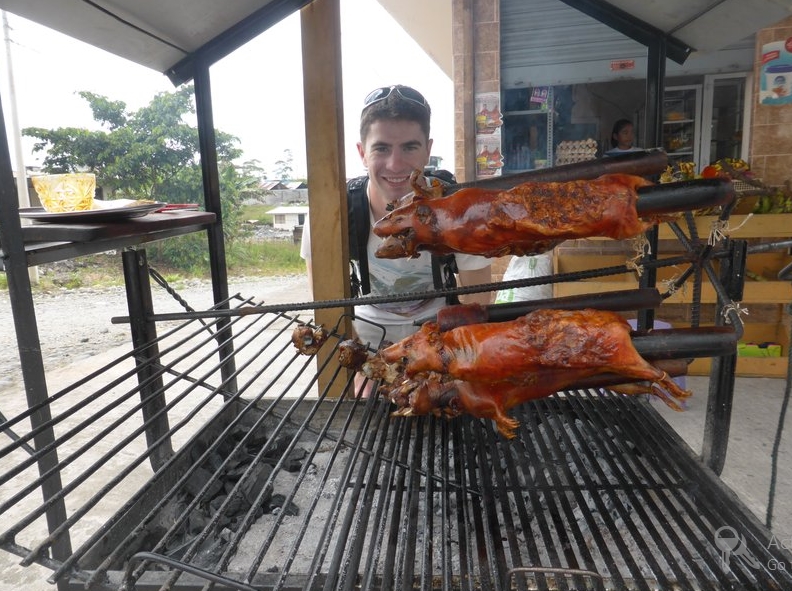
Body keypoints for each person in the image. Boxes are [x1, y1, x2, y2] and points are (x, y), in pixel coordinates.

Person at [300, 84, 491, 357]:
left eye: (410, 147)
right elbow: (325, 302)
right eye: (381, 148)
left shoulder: (458, 209)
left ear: (428, 150)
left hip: (439, 336)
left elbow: (477, 299)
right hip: (364, 337)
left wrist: (454, 360)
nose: (395, 164)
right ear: (362, 153)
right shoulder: (330, 213)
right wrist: (359, 364)